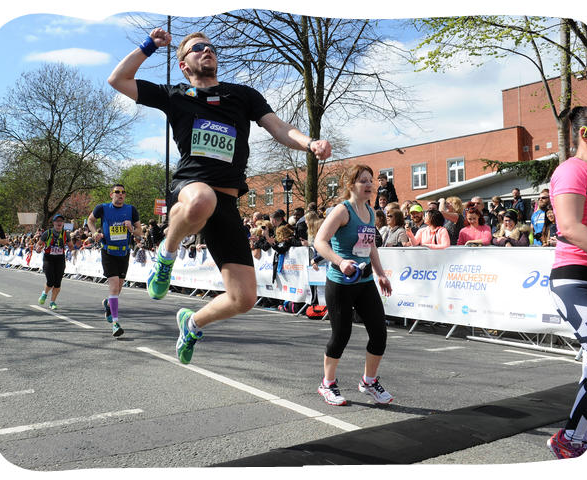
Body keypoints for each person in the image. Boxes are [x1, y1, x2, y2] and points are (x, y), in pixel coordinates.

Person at [108, 28, 331, 364]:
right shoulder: (175, 95)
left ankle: (193, 323)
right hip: (190, 188)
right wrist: (149, 46)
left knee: (244, 298)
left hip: (226, 203)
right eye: (197, 48)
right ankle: (166, 258)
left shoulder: (242, 95)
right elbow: (118, 79)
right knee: (201, 199)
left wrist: (309, 143)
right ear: (184, 65)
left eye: (210, 47)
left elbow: (278, 127)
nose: (207, 50)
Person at [313, 164, 393, 406]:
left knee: (379, 333)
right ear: (351, 185)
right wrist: (340, 261)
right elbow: (320, 241)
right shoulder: (342, 211)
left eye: (371, 181)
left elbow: (371, 248)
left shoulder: (369, 211)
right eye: (363, 181)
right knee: (341, 335)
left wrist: (380, 274)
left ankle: (368, 381)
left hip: (365, 281)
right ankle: (327, 384)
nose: (369, 185)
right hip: (340, 282)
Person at [546, 106, 587, 459]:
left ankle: (580, 439)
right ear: (585, 135)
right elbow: (569, 227)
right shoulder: (572, 170)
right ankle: (572, 440)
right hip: (575, 280)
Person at [87, 184, 143, 337]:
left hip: (123, 253)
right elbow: (90, 220)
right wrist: (94, 233)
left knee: (118, 288)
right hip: (108, 252)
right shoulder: (102, 208)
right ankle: (115, 323)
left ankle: (108, 303)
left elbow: (140, 232)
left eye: (123, 192)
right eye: (117, 192)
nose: (121, 195)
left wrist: (131, 228)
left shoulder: (131, 210)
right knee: (113, 287)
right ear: (111, 194)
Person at [33, 214, 76, 310]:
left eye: (61, 221)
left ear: (63, 223)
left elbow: (71, 246)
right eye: (57, 221)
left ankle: (52, 302)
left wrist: (73, 251)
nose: (59, 223)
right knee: (50, 280)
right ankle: (44, 294)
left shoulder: (66, 234)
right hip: (49, 258)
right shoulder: (47, 233)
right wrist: (38, 249)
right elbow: (38, 244)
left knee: (57, 282)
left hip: (60, 259)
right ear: (54, 223)